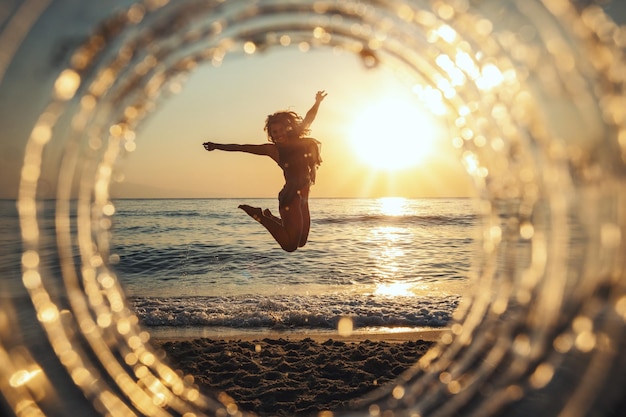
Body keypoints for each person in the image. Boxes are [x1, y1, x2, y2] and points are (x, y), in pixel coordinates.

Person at [203, 90, 327, 252]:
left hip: (303, 197)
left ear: (288, 128)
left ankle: (268, 216)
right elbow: (242, 148)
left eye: (281, 130)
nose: (278, 134)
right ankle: (259, 215)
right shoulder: (273, 150)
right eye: (274, 132)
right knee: (290, 246)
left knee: (301, 241)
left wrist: (317, 102)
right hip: (290, 197)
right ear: (271, 135)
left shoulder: (299, 141)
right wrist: (216, 146)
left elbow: (309, 117)